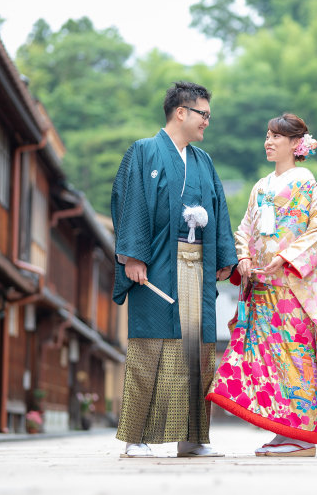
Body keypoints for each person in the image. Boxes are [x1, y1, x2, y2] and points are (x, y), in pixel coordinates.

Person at [111, 81, 238, 458]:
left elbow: (219, 209)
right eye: (203, 115)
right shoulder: (144, 152)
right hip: (156, 264)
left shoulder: (204, 161)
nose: (207, 123)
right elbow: (128, 200)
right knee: (150, 346)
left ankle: (193, 438)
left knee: (197, 350)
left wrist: (223, 257)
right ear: (180, 112)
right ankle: (136, 437)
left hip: (197, 265)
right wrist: (133, 256)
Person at [206, 113, 317, 457]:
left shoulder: (305, 181)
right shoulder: (261, 186)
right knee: (269, 359)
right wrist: (243, 256)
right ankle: (283, 429)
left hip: (293, 287)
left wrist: (288, 256)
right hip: (262, 287)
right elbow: (246, 227)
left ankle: (303, 436)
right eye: (267, 135)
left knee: (295, 356)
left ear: (295, 144)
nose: (269, 141)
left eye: (277, 136)